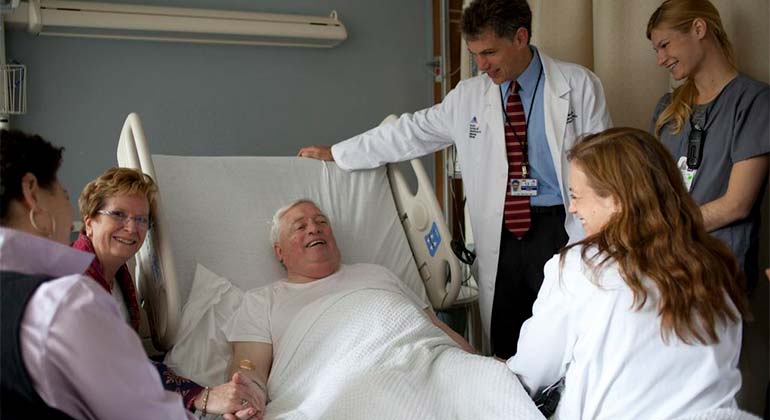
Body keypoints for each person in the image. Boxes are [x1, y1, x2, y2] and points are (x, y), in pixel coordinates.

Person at [298, 0, 612, 357]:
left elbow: (605, 168)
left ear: (521, 37)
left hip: (562, 227)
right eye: (475, 53)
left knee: (566, 337)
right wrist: (340, 153)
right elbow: (410, 132)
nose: (481, 65)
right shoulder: (469, 96)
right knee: (508, 342)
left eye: (490, 52)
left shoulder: (578, 85)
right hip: (504, 233)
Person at [507, 127, 748, 419]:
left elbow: (530, 375)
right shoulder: (714, 265)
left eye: (576, 196)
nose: (571, 208)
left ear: (616, 201)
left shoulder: (581, 267)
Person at [0, 129, 193, 419]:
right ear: (31, 193)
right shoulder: (65, 302)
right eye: (63, 194)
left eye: (141, 219)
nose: (132, 228)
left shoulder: (119, 284)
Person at [226, 199, 475, 406]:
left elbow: (435, 328)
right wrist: (248, 395)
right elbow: (250, 365)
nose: (314, 228)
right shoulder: (263, 301)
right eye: (300, 227)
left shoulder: (377, 273)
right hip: (339, 389)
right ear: (279, 252)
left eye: (321, 222)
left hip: (430, 369)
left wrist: (478, 363)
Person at [72, 167, 263, 417]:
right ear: (90, 223)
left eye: (141, 219)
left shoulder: (118, 277)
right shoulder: (74, 282)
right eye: (118, 214)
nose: (131, 228)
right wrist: (203, 397)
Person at [647, 0, 769, 293]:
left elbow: (737, 205)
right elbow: (649, 188)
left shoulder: (754, 102)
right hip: (662, 269)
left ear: (698, 28)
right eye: (656, 51)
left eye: (665, 45)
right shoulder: (667, 108)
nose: (660, 60)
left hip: (719, 274)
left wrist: (662, 228)